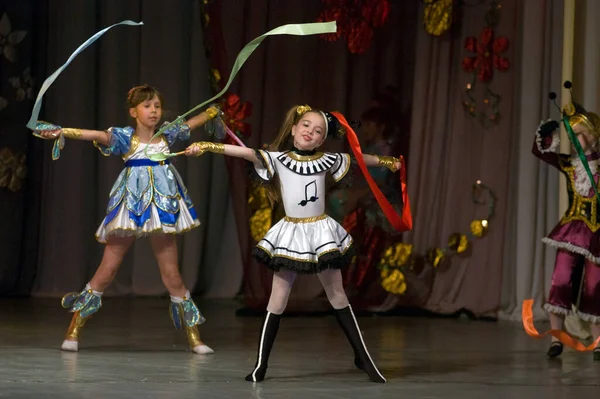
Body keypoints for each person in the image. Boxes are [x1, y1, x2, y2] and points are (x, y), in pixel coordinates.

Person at [186, 104, 404, 383]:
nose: (310, 133)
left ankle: (362, 357)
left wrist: (388, 162)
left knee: (337, 294)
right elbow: (246, 152)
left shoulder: (328, 159)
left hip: (321, 233)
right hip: (290, 234)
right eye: (305, 126)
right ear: (292, 129)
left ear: (323, 139)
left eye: (317, 131)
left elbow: (360, 159)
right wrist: (207, 146)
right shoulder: (276, 159)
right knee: (278, 298)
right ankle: (260, 365)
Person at [34, 84, 217, 354]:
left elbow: (191, 122)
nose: (153, 111)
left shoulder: (168, 134)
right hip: (130, 207)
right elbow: (95, 134)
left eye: (157, 106)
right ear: (133, 111)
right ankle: (74, 330)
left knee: (172, 275)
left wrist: (213, 112)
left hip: (161, 211)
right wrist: (63, 132)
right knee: (107, 270)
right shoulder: (124, 137)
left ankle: (195, 338)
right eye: (147, 106)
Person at [532, 87, 600, 360]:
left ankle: (598, 341)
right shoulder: (570, 165)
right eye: (572, 134)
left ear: (592, 134)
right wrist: (547, 133)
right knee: (560, 280)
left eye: (579, 133)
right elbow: (541, 153)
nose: (575, 138)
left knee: (596, 287)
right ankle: (557, 338)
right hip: (571, 230)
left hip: (597, 232)